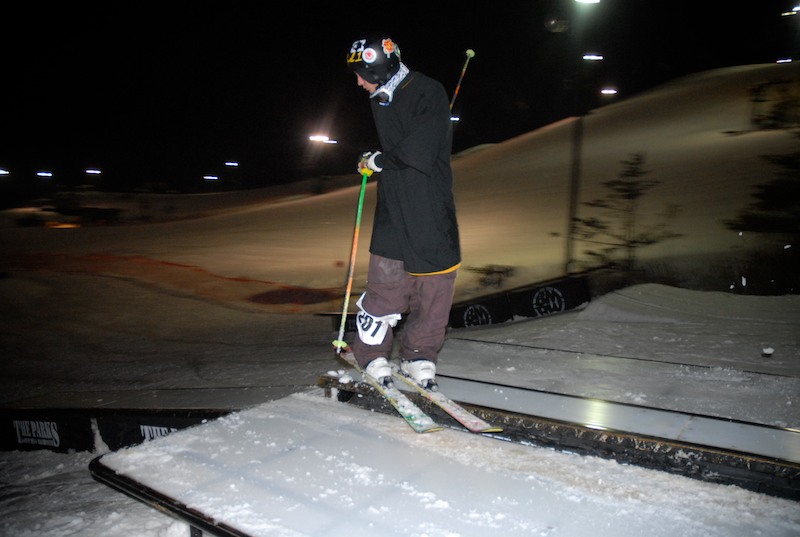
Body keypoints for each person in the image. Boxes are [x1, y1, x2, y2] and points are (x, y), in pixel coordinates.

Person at [345, 34, 461, 391]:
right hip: (395, 206)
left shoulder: (428, 90)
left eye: (362, 74)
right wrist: (373, 160)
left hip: (429, 206)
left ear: (379, 68)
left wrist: (380, 160)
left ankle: (419, 354)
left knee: (434, 288)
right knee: (386, 286)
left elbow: (420, 150)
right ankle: (371, 353)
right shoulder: (380, 97)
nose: (359, 83)